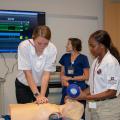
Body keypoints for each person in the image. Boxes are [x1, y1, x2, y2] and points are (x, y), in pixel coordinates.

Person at [74, 30, 120, 120]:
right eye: (89, 45)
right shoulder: (95, 61)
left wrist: (86, 97)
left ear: (102, 46)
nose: (90, 48)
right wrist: (78, 95)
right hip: (94, 105)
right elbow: (92, 87)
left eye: (93, 46)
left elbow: (111, 92)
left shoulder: (111, 63)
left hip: (108, 108)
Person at [15, 25, 57, 104]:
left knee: (41, 110)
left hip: (42, 85)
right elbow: (28, 73)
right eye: (39, 43)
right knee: (24, 112)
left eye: (45, 44)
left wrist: (42, 96)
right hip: (24, 84)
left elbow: (46, 74)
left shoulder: (52, 49)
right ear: (33, 37)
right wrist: (37, 95)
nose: (42, 46)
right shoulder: (24, 46)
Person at [59, 38, 90, 120]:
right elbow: (62, 72)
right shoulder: (65, 57)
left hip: (79, 89)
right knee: (64, 113)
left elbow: (86, 76)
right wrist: (63, 79)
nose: (66, 45)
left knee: (78, 113)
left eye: (68, 44)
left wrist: (70, 77)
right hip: (66, 88)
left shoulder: (83, 58)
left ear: (74, 46)